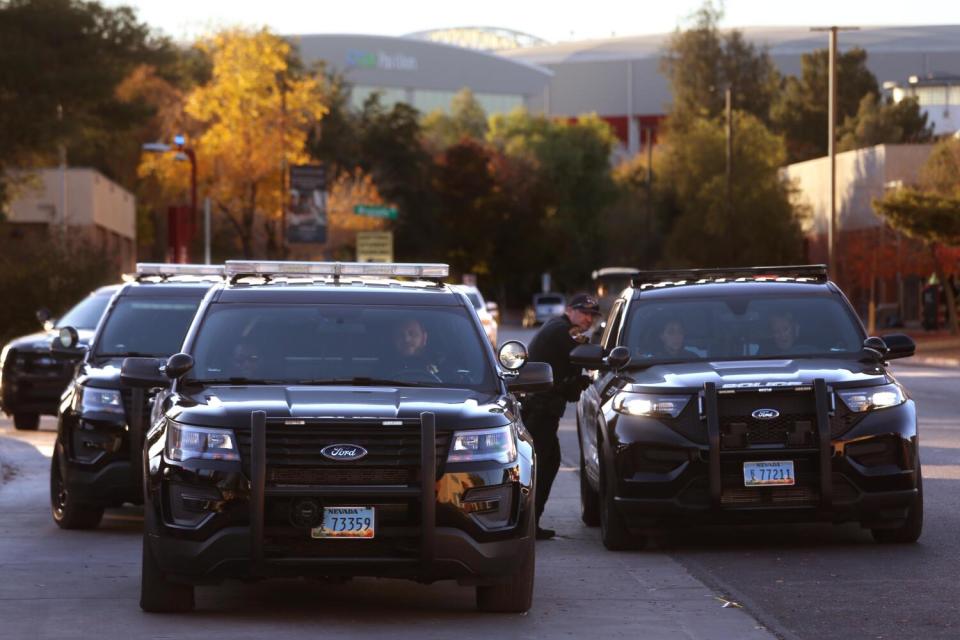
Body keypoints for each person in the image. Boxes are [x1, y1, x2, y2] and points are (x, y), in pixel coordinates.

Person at [524, 293, 602, 540]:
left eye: (592, 315)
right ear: (570, 310)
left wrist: (575, 383)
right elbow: (587, 355)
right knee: (540, 467)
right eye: (584, 312)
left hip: (542, 408)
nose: (588, 319)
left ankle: (530, 523)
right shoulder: (562, 331)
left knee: (547, 463)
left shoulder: (559, 327)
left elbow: (564, 382)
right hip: (540, 410)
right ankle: (527, 525)